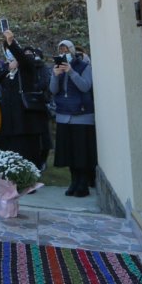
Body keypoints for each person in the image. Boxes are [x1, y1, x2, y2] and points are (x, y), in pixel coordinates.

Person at [0, 29, 48, 168]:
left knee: (28, 152)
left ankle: (30, 178)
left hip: (26, 121)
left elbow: (22, 58)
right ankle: (16, 179)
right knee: (12, 153)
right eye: (7, 50)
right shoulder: (6, 69)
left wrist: (11, 43)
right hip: (10, 122)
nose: (9, 52)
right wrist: (6, 67)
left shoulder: (27, 66)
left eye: (11, 49)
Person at [50, 39, 96, 197]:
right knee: (69, 152)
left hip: (82, 116)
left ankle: (83, 184)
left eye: (66, 51)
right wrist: (56, 76)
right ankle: (73, 181)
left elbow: (85, 86)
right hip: (63, 115)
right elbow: (53, 90)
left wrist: (71, 72)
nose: (64, 54)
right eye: (61, 51)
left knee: (81, 153)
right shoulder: (57, 68)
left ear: (72, 51)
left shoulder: (84, 66)